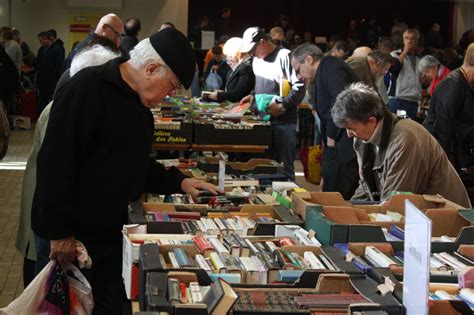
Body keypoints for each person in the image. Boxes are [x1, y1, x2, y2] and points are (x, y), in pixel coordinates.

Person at [32, 28, 221, 314]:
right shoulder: (86, 88)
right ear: (151, 68)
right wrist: (59, 232)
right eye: (170, 87)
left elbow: (135, 164)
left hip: (112, 239)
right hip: (75, 240)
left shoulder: (139, 106)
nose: (168, 96)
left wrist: (180, 181)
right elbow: (55, 164)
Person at [16, 42, 120, 288]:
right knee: (48, 291)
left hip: (50, 221)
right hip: (50, 226)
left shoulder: (79, 104)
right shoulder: (66, 109)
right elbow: (56, 175)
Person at [331, 82, 470, 208]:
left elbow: (393, 203)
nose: (348, 134)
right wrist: (347, 210)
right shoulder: (362, 139)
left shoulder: (404, 140)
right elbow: (366, 187)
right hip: (418, 215)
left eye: (352, 128)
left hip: (447, 220)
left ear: (371, 121)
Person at [291, 43, 359, 199]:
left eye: (298, 70)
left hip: (344, 147)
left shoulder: (330, 65)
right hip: (337, 146)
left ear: (308, 59)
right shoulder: (323, 71)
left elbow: (340, 100)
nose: (299, 76)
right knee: (329, 193)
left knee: (335, 199)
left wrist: (331, 137)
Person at [240, 27, 306, 181]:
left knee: (285, 171)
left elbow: (299, 86)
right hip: (263, 121)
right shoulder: (257, 60)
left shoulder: (284, 56)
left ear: (262, 42)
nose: (252, 54)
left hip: (283, 122)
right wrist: (252, 96)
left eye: (253, 50)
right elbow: (260, 85)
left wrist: (282, 105)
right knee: (266, 168)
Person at [423, 43, 474, 171]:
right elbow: (443, 127)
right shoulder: (453, 84)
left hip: (455, 152)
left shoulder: (464, 83)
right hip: (443, 154)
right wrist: (443, 165)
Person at [207, 37, 255, 102]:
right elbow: (232, 90)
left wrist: (219, 95)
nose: (227, 60)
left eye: (229, 56)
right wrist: (222, 92)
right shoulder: (238, 66)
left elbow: (239, 93)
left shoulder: (246, 67)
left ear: (238, 54)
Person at [388, 28, 422, 119]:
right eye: (406, 38)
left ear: (417, 41)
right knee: (399, 127)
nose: (409, 41)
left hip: (414, 101)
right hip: (399, 100)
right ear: (403, 40)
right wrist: (404, 52)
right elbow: (393, 68)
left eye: (412, 38)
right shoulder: (395, 54)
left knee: (410, 130)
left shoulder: (420, 58)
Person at [36, 31, 64, 114]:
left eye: (41, 40)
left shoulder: (57, 49)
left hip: (52, 80)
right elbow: (39, 63)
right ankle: (41, 116)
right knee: (42, 100)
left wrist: (54, 78)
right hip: (42, 80)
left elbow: (59, 65)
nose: (40, 42)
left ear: (46, 39)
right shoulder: (41, 49)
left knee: (52, 100)